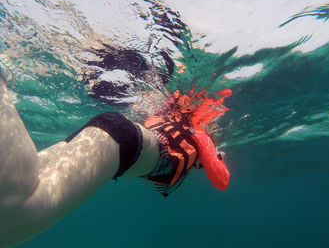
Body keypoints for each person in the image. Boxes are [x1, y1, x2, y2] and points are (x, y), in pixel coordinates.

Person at [0, 61, 230, 248]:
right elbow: (222, 181)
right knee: (13, 216)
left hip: (113, 136)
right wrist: (215, 153)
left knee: (19, 189)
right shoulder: (200, 136)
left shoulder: (176, 129)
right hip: (120, 143)